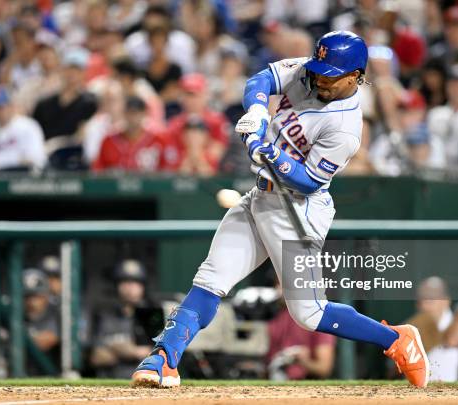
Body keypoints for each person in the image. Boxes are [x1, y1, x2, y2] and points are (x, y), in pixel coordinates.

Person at [131, 31, 430, 388]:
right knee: (211, 279)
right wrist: (258, 111)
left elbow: (309, 181)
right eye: (319, 70)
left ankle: (398, 340)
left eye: (330, 75)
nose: (320, 79)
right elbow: (261, 79)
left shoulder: (346, 127)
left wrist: (270, 153)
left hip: (297, 211)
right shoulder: (309, 70)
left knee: (309, 313)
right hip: (259, 197)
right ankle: (164, 358)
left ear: (355, 76)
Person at [90, 259, 155, 378]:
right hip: (110, 384)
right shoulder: (105, 317)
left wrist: (116, 349)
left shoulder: (152, 316)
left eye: (135, 283)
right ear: (117, 286)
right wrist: (132, 351)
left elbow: (155, 356)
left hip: (145, 382)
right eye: (125, 282)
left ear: (143, 287)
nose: (130, 288)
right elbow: (97, 358)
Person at [93, 95, 177, 172]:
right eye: (130, 112)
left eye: (137, 112)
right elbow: (98, 171)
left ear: (144, 113)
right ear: (124, 113)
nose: (133, 117)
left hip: (150, 187)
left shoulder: (158, 140)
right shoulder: (109, 140)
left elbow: (169, 170)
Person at [0, 86, 46, 173]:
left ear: (11, 106)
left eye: (2, 107)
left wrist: (12, 161)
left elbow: (38, 159)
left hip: (20, 175)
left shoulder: (28, 126)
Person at [32, 47, 98, 140]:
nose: (72, 73)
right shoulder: (44, 104)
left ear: (84, 73)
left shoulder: (91, 103)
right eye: (69, 69)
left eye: (77, 70)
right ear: (62, 70)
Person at [405, 277, 458, 382]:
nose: (424, 306)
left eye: (430, 300)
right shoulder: (413, 326)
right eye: (420, 301)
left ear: (446, 301)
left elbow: (452, 339)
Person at [23, 268, 60, 375]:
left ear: (46, 295)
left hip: (53, 373)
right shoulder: (10, 313)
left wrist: (20, 340)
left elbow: (46, 341)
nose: (32, 302)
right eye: (27, 296)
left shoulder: (56, 311)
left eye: (37, 296)